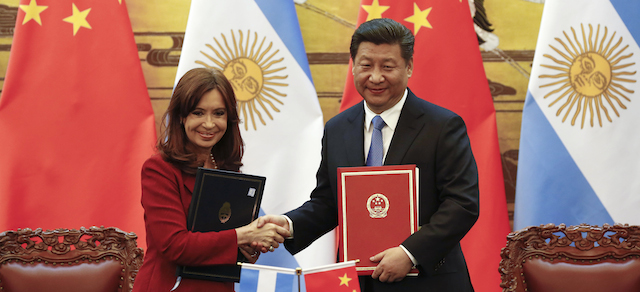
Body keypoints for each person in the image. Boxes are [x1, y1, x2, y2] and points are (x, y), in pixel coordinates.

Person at [257, 18, 479, 292]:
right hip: (357, 283)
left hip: (428, 281)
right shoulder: (338, 128)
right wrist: (288, 224)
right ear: (353, 66)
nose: (375, 77)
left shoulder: (442, 126)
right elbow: (329, 202)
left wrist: (409, 253)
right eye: (366, 65)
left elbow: (461, 204)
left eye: (388, 67)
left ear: (408, 67)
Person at [133, 68, 290, 292]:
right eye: (198, 112)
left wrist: (254, 243)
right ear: (181, 116)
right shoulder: (159, 169)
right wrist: (244, 234)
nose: (209, 124)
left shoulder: (228, 170)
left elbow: (228, 243)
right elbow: (175, 246)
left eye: (218, 113)